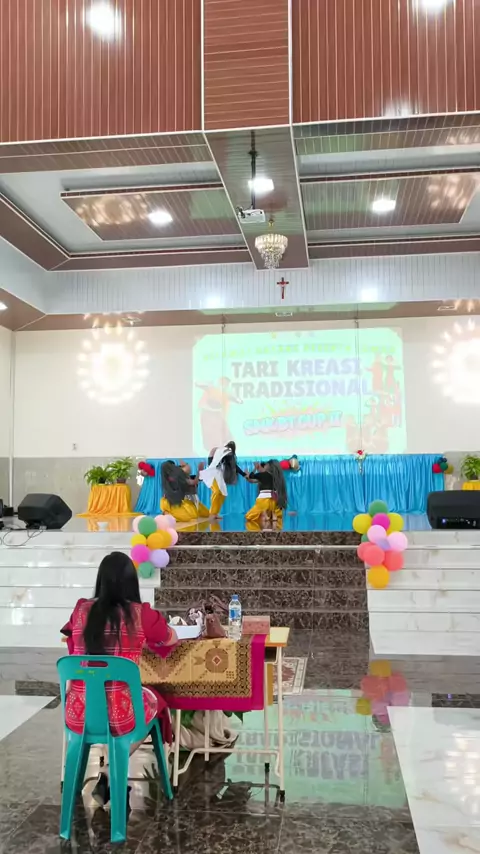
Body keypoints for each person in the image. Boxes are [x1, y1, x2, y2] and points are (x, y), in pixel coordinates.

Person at [60, 552, 178, 808]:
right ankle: (111, 771)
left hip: (78, 714)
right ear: (131, 581)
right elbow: (170, 638)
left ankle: (99, 780)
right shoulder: (141, 614)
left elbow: (70, 635)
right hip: (122, 715)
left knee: (118, 703)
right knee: (156, 702)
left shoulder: (81, 609)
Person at [199, 440, 247, 517]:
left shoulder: (225, 453)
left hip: (218, 475)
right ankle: (212, 513)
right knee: (217, 491)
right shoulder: (222, 451)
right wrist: (243, 474)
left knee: (222, 494)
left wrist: (243, 474)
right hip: (213, 474)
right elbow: (212, 463)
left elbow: (233, 466)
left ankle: (215, 513)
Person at [245, 459, 287, 530]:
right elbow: (251, 480)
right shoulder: (275, 477)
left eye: (265, 466)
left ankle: (265, 515)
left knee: (249, 516)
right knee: (273, 512)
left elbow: (251, 477)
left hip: (263, 499)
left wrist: (254, 469)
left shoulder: (263, 475)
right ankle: (271, 516)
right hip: (273, 499)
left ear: (268, 467)